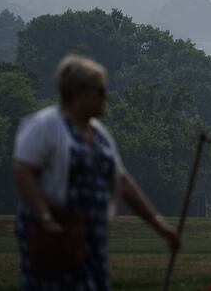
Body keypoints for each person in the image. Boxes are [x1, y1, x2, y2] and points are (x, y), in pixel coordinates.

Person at [12, 55, 180, 290]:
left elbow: (122, 182)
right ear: (78, 92)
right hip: (57, 237)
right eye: (100, 91)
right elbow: (23, 171)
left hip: (89, 240)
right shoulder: (45, 125)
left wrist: (159, 225)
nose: (105, 97)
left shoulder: (100, 134)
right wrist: (45, 217)